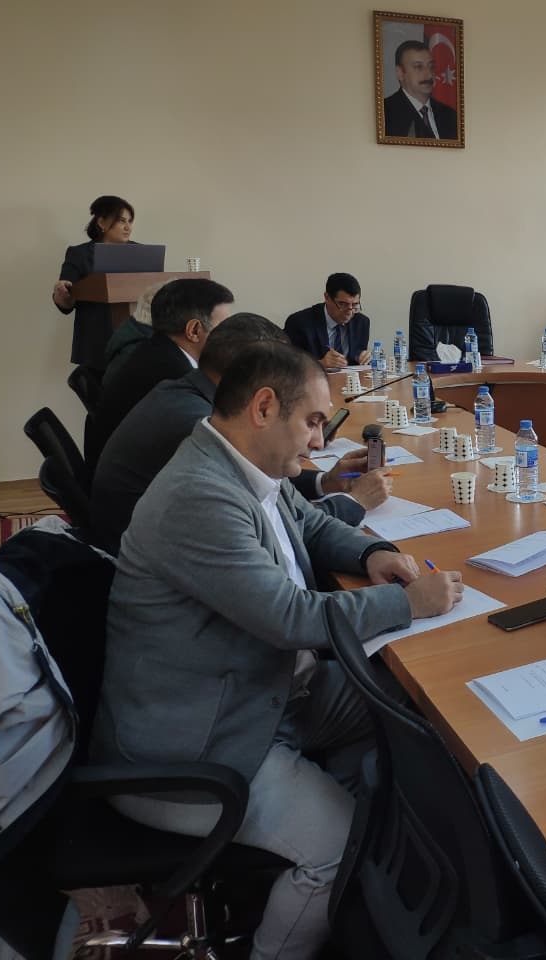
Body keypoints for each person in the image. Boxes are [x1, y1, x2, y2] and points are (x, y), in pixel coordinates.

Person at [91, 340, 463, 960]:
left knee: (403, 703)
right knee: (336, 843)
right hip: (201, 744)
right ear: (264, 407)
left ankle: (373, 840)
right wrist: (408, 603)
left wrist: (371, 553)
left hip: (264, 691)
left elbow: (310, 523)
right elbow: (290, 617)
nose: (319, 441)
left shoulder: (245, 464)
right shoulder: (199, 495)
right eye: (313, 422)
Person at [90, 314, 390, 554]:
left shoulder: (189, 393)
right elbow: (277, 529)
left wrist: (325, 482)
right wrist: (356, 501)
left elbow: (283, 503)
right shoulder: (198, 424)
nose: (318, 441)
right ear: (250, 380)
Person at [87, 278, 234, 472]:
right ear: (194, 330)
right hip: (138, 486)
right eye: (225, 328)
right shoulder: (172, 375)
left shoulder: (157, 351)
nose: (232, 337)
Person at [52, 196, 136, 372]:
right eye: (121, 221)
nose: (128, 227)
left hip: (136, 341)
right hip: (96, 341)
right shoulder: (80, 254)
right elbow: (66, 300)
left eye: (130, 221)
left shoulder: (140, 252)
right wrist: (62, 295)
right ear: (102, 222)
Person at [284, 273, 371, 369]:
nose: (349, 312)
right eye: (343, 304)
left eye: (354, 305)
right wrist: (320, 363)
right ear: (327, 297)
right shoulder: (299, 323)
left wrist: (362, 357)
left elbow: (356, 358)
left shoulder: (361, 323)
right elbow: (286, 364)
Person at [382, 40, 459, 139]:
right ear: (400, 73)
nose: (429, 75)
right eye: (418, 67)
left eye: (431, 67)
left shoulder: (450, 115)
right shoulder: (385, 113)